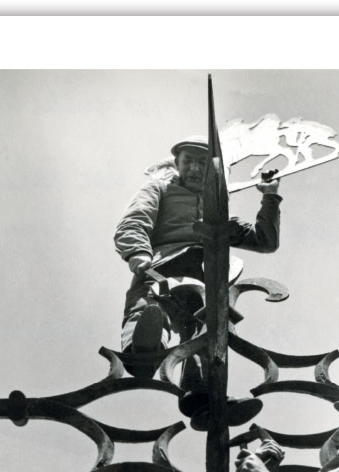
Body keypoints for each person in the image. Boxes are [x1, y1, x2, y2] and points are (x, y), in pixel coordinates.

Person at [114, 137, 282, 353]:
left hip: (206, 275)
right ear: (177, 164)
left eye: (203, 163)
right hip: (162, 267)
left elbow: (265, 241)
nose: (194, 168)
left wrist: (270, 196)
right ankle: (142, 351)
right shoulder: (159, 188)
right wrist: (137, 251)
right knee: (148, 306)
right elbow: (134, 221)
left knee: (203, 336)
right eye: (188, 161)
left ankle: (201, 366)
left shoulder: (218, 213)